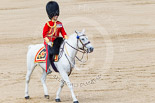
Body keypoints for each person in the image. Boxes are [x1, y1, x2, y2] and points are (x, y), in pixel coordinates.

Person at [42, 1, 68, 74]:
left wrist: (66, 38)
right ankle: (47, 69)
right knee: (49, 53)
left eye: (57, 15)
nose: (56, 16)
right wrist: (48, 42)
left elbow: (63, 32)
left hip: (57, 41)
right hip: (49, 42)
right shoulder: (47, 24)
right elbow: (44, 35)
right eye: (55, 15)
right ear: (51, 15)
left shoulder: (59, 24)